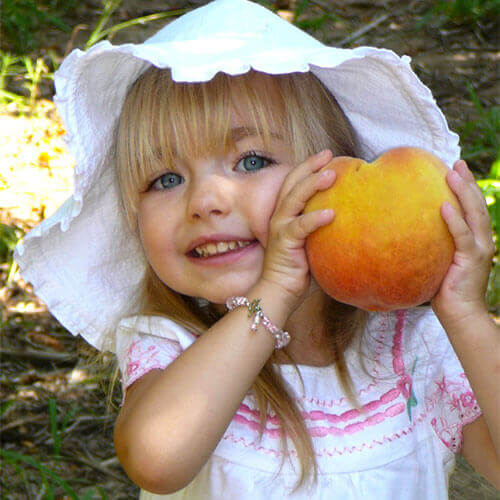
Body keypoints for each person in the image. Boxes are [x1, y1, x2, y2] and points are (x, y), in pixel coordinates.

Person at [14, 0, 499, 498]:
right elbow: (156, 457)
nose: (204, 201)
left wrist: (465, 314)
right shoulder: (172, 347)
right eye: (166, 178)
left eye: (250, 161)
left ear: (334, 179)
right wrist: (274, 293)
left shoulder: (410, 352)